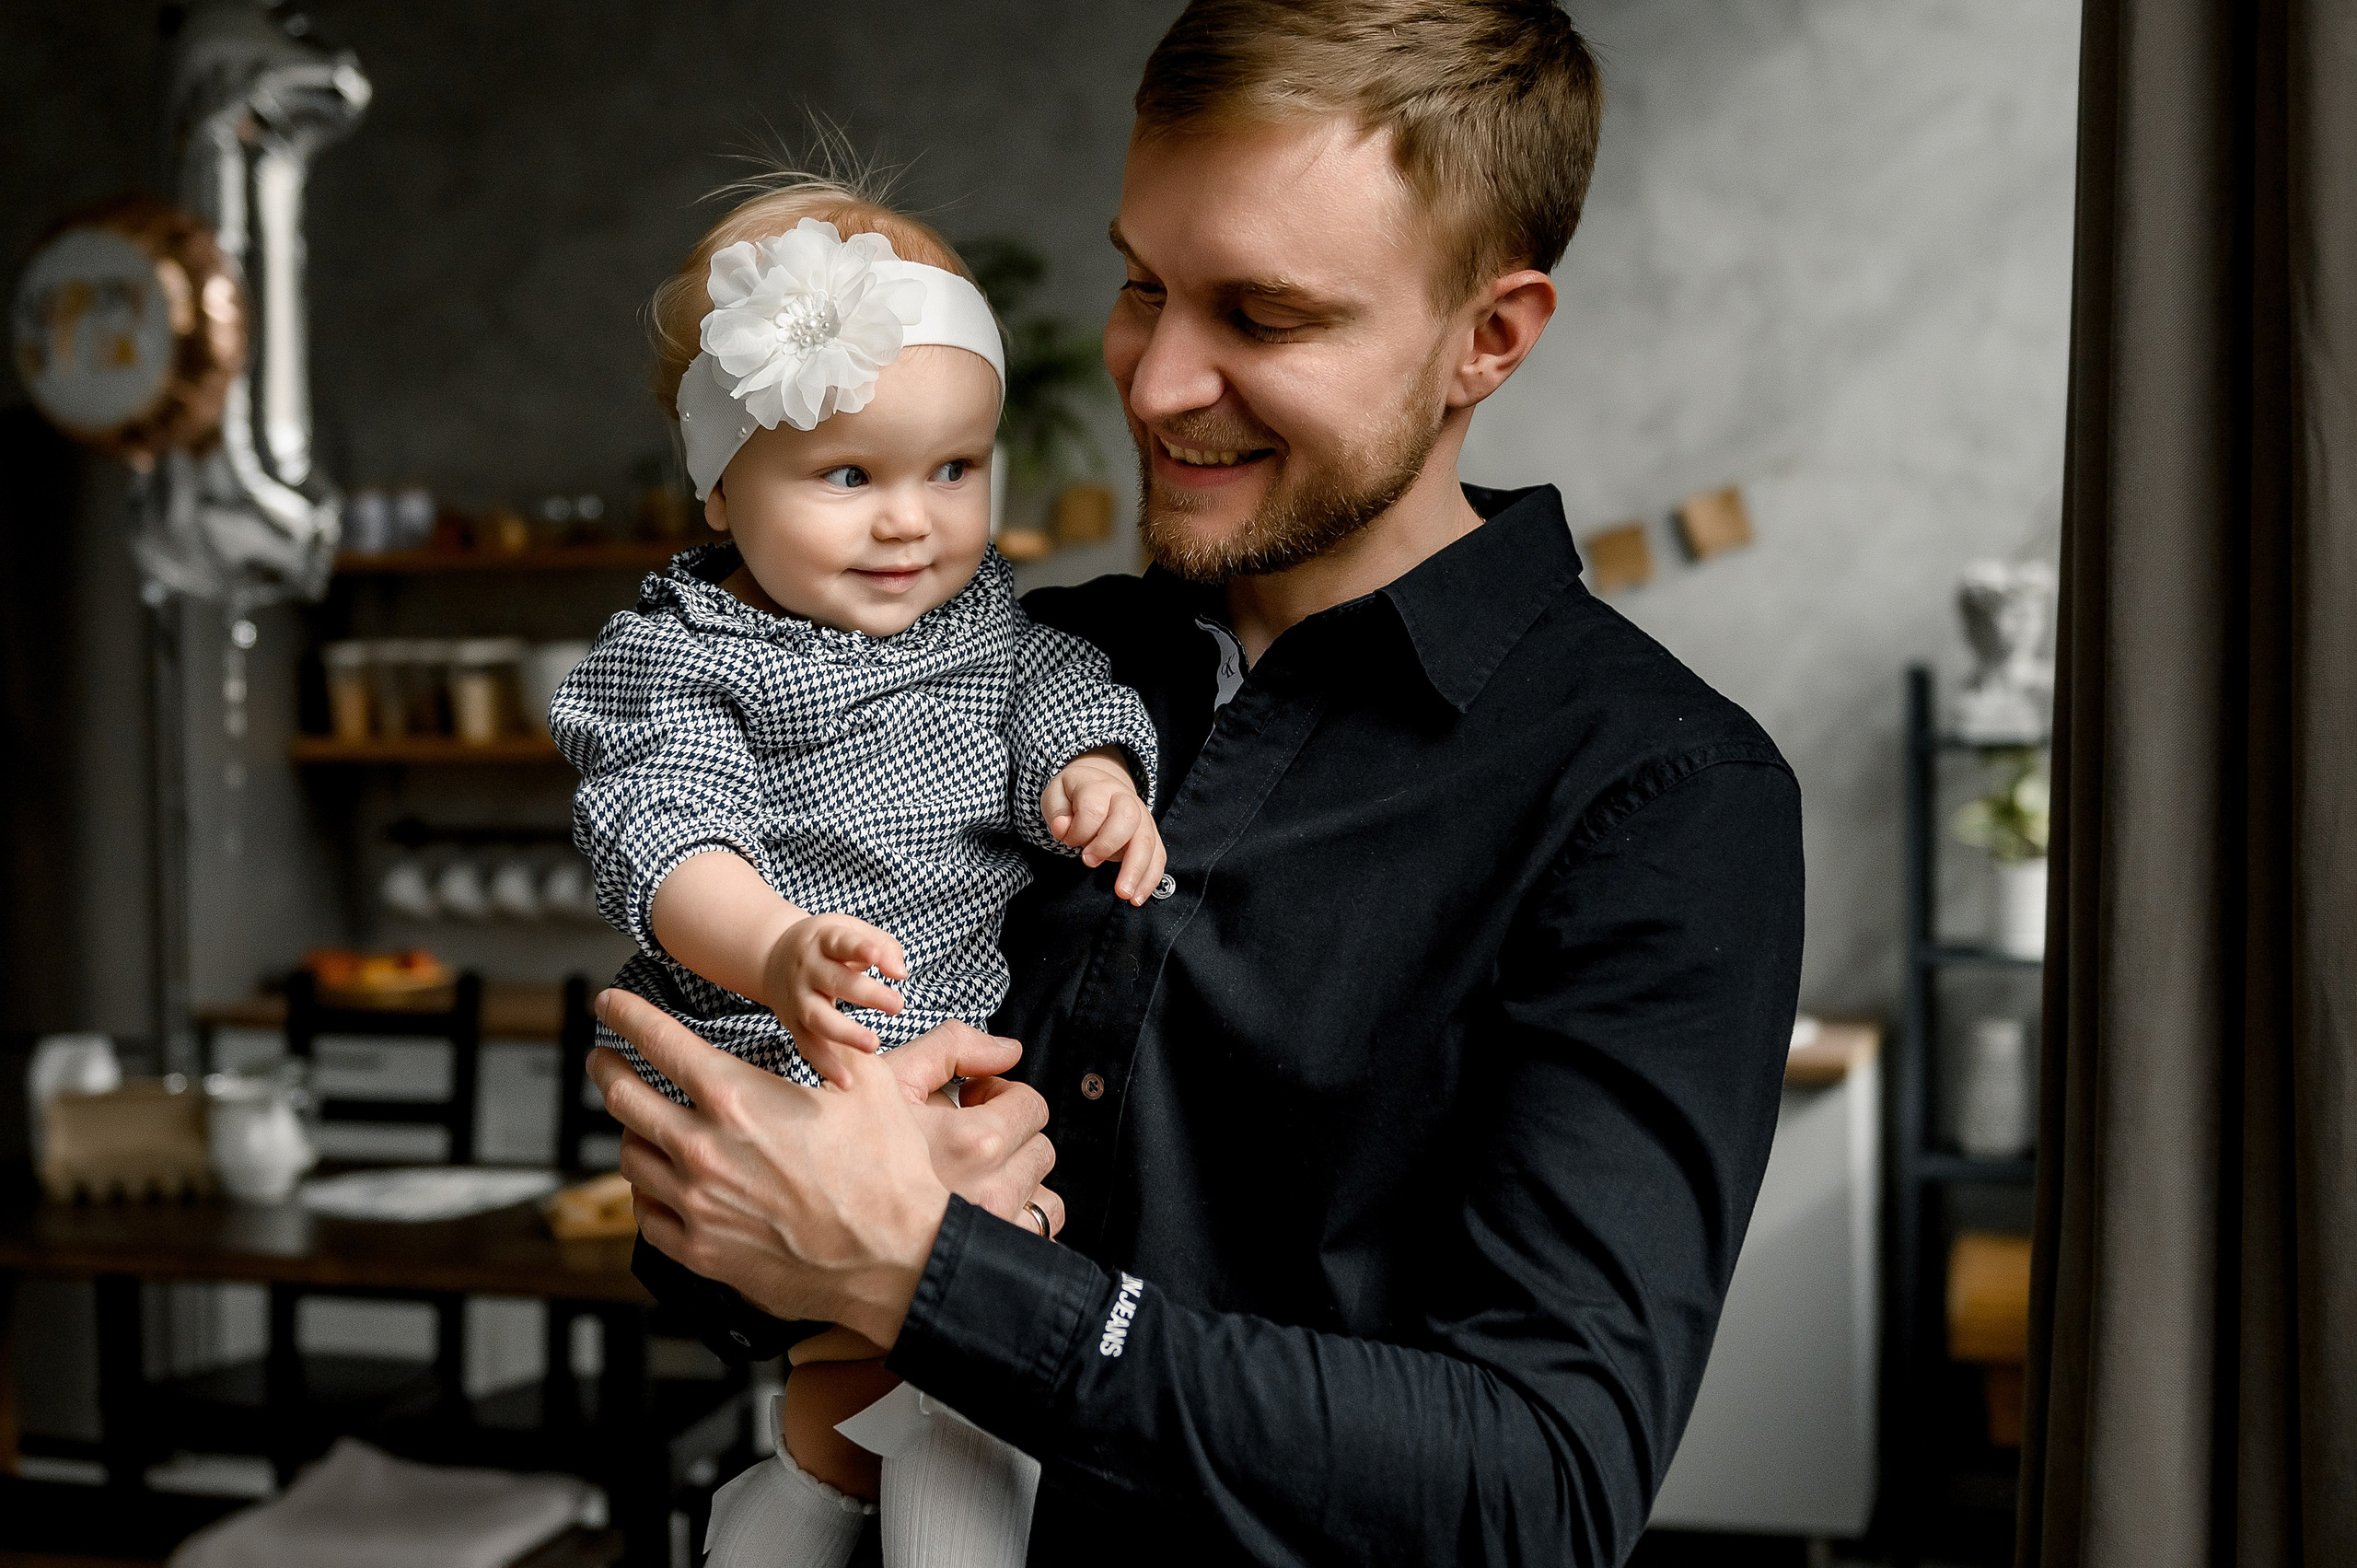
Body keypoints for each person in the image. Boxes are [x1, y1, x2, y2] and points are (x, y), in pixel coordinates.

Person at [592, 2, 1807, 1562]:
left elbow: (1538, 1493)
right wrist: (777, 1199)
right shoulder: (1006, 665)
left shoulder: (1663, 798)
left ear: (1488, 337)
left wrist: (920, 1269)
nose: (1157, 381)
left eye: (1265, 315)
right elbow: (720, 1222)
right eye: (1142, 283)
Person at [549, 186, 1164, 1567]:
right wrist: (772, 946)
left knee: (904, 1374)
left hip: (941, 1058)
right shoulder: (685, 654)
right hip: (772, 1043)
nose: (912, 524)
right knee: (954, 1365)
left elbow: (1057, 688)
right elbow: (666, 829)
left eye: (954, 469)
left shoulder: (987, 625)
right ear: (720, 483)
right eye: (850, 478)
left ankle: (786, 1516)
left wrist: (1092, 775)